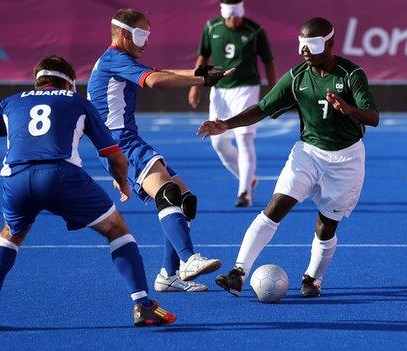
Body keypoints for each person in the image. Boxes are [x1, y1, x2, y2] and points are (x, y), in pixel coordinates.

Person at [0, 55, 176, 329]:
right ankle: (143, 306)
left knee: (11, 234)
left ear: (38, 81)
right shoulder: (77, 101)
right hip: (62, 177)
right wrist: (121, 181)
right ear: (69, 81)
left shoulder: (11, 102)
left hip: (16, 179)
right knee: (117, 229)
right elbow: (115, 156)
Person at [198, 17, 379, 297]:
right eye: (301, 43)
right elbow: (262, 107)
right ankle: (238, 272)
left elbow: (373, 117)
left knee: (326, 225)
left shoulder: (351, 75)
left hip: (346, 160)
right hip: (307, 153)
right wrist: (226, 124)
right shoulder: (297, 77)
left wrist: (349, 110)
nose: (304, 50)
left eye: (312, 43)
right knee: (275, 206)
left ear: (330, 43)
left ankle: (312, 279)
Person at [87, 8, 232, 293]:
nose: (147, 42)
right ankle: (188, 259)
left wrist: (199, 73)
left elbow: (156, 73)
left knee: (185, 198)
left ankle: (169, 275)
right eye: (141, 35)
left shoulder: (118, 60)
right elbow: (153, 80)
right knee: (168, 193)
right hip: (121, 143)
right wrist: (200, 80)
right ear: (123, 33)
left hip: (122, 143)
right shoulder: (115, 59)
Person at [188, 0, 277, 207]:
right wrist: (195, 85)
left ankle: (244, 191)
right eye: (229, 16)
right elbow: (203, 57)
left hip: (246, 89)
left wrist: (274, 92)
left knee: (244, 139)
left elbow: (269, 61)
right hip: (219, 91)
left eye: (236, 15)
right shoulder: (211, 27)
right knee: (218, 142)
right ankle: (248, 177)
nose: (233, 20)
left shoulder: (255, 30)